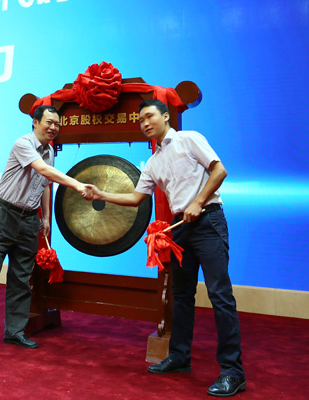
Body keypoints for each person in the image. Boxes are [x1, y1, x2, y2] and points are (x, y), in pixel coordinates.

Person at [84, 99, 246, 397]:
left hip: (207, 220)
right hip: (180, 226)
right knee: (181, 295)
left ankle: (233, 371)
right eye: (140, 120)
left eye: (149, 116)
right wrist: (101, 194)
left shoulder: (189, 139)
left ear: (166, 116)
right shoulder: (153, 163)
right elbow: (136, 198)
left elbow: (219, 170)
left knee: (220, 295)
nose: (145, 123)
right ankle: (179, 357)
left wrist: (198, 202)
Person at [0, 105, 88, 352]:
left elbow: (45, 183)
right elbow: (43, 170)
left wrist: (46, 218)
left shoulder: (49, 151)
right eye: (49, 122)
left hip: (30, 219)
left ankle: (15, 332)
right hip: (3, 215)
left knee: (22, 279)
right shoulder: (23, 143)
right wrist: (77, 184)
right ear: (35, 122)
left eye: (57, 124)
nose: (53, 127)